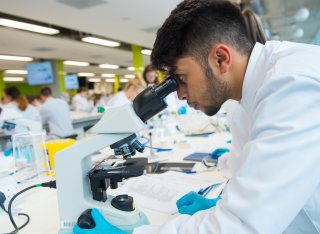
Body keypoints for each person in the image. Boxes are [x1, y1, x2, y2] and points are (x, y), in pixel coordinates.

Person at [74, 1, 320, 234]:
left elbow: (239, 227)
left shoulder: (291, 85)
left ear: (220, 58)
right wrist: (220, 206)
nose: (179, 95)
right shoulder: (253, 95)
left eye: (180, 78)